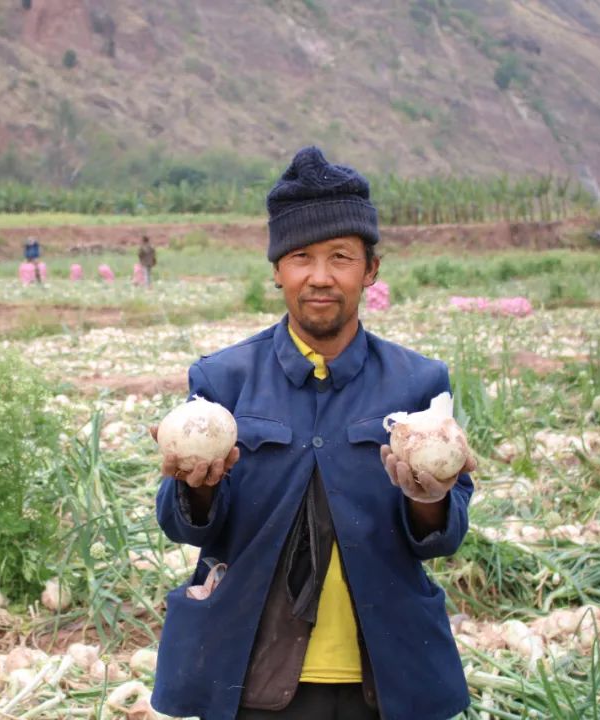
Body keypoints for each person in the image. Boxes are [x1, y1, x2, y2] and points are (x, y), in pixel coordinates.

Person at [149, 146, 476, 720]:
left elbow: (442, 539)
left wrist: (431, 497)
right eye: (300, 256)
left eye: (341, 257)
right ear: (277, 270)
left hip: (384, 675)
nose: (320, 277)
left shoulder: (420, 383)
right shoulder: (222, 378)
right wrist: (197, 487)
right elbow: (183, 524)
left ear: (370, 270)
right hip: (253, 675)